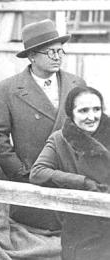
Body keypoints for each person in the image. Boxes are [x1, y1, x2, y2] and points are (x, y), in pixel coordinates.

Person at [0, 19, 84, 255]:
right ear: (32, 56)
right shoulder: (6, 90)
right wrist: (21, 172)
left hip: (69, 181)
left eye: (60, 50)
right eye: (50, 51)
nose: (57, 56)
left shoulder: (76, 83)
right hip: (30, 184)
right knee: (34, 243)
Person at [30, 86, 110, 260]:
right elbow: (37, 172)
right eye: (83, 111)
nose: (91, 117)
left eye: (96, 109)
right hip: (80, 225)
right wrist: (83, 182)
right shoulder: (60, 139)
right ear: (71, 113)